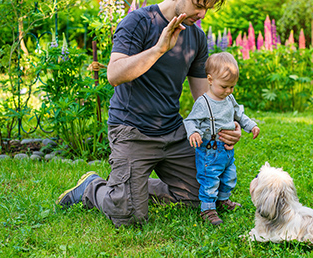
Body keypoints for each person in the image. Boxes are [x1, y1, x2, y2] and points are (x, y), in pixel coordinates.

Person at [56, 0, 242, 228]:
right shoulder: (138, 22)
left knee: (201, 196)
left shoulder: (196, 37)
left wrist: (226, 125)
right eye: (198, 5)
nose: (202, 14)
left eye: (207, 9)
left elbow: (205, 97)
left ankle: (134, 188)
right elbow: (114, 74)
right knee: (128, 216)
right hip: (133, 130)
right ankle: (93, 187)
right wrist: (158, 49)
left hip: (173, 131)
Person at [183, 52, 260, 225]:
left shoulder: (229, 99)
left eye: (232, 87)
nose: (228, 91)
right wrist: (194, 133)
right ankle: (208, 209)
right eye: (224, 86)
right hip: (209, 151)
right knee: (209, 180)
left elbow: (239, 115)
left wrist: (251, 126)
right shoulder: (203, 103)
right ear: (210, 80)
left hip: (226, 151)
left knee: (229, 177)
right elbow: (190, 121)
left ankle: (223, 200)